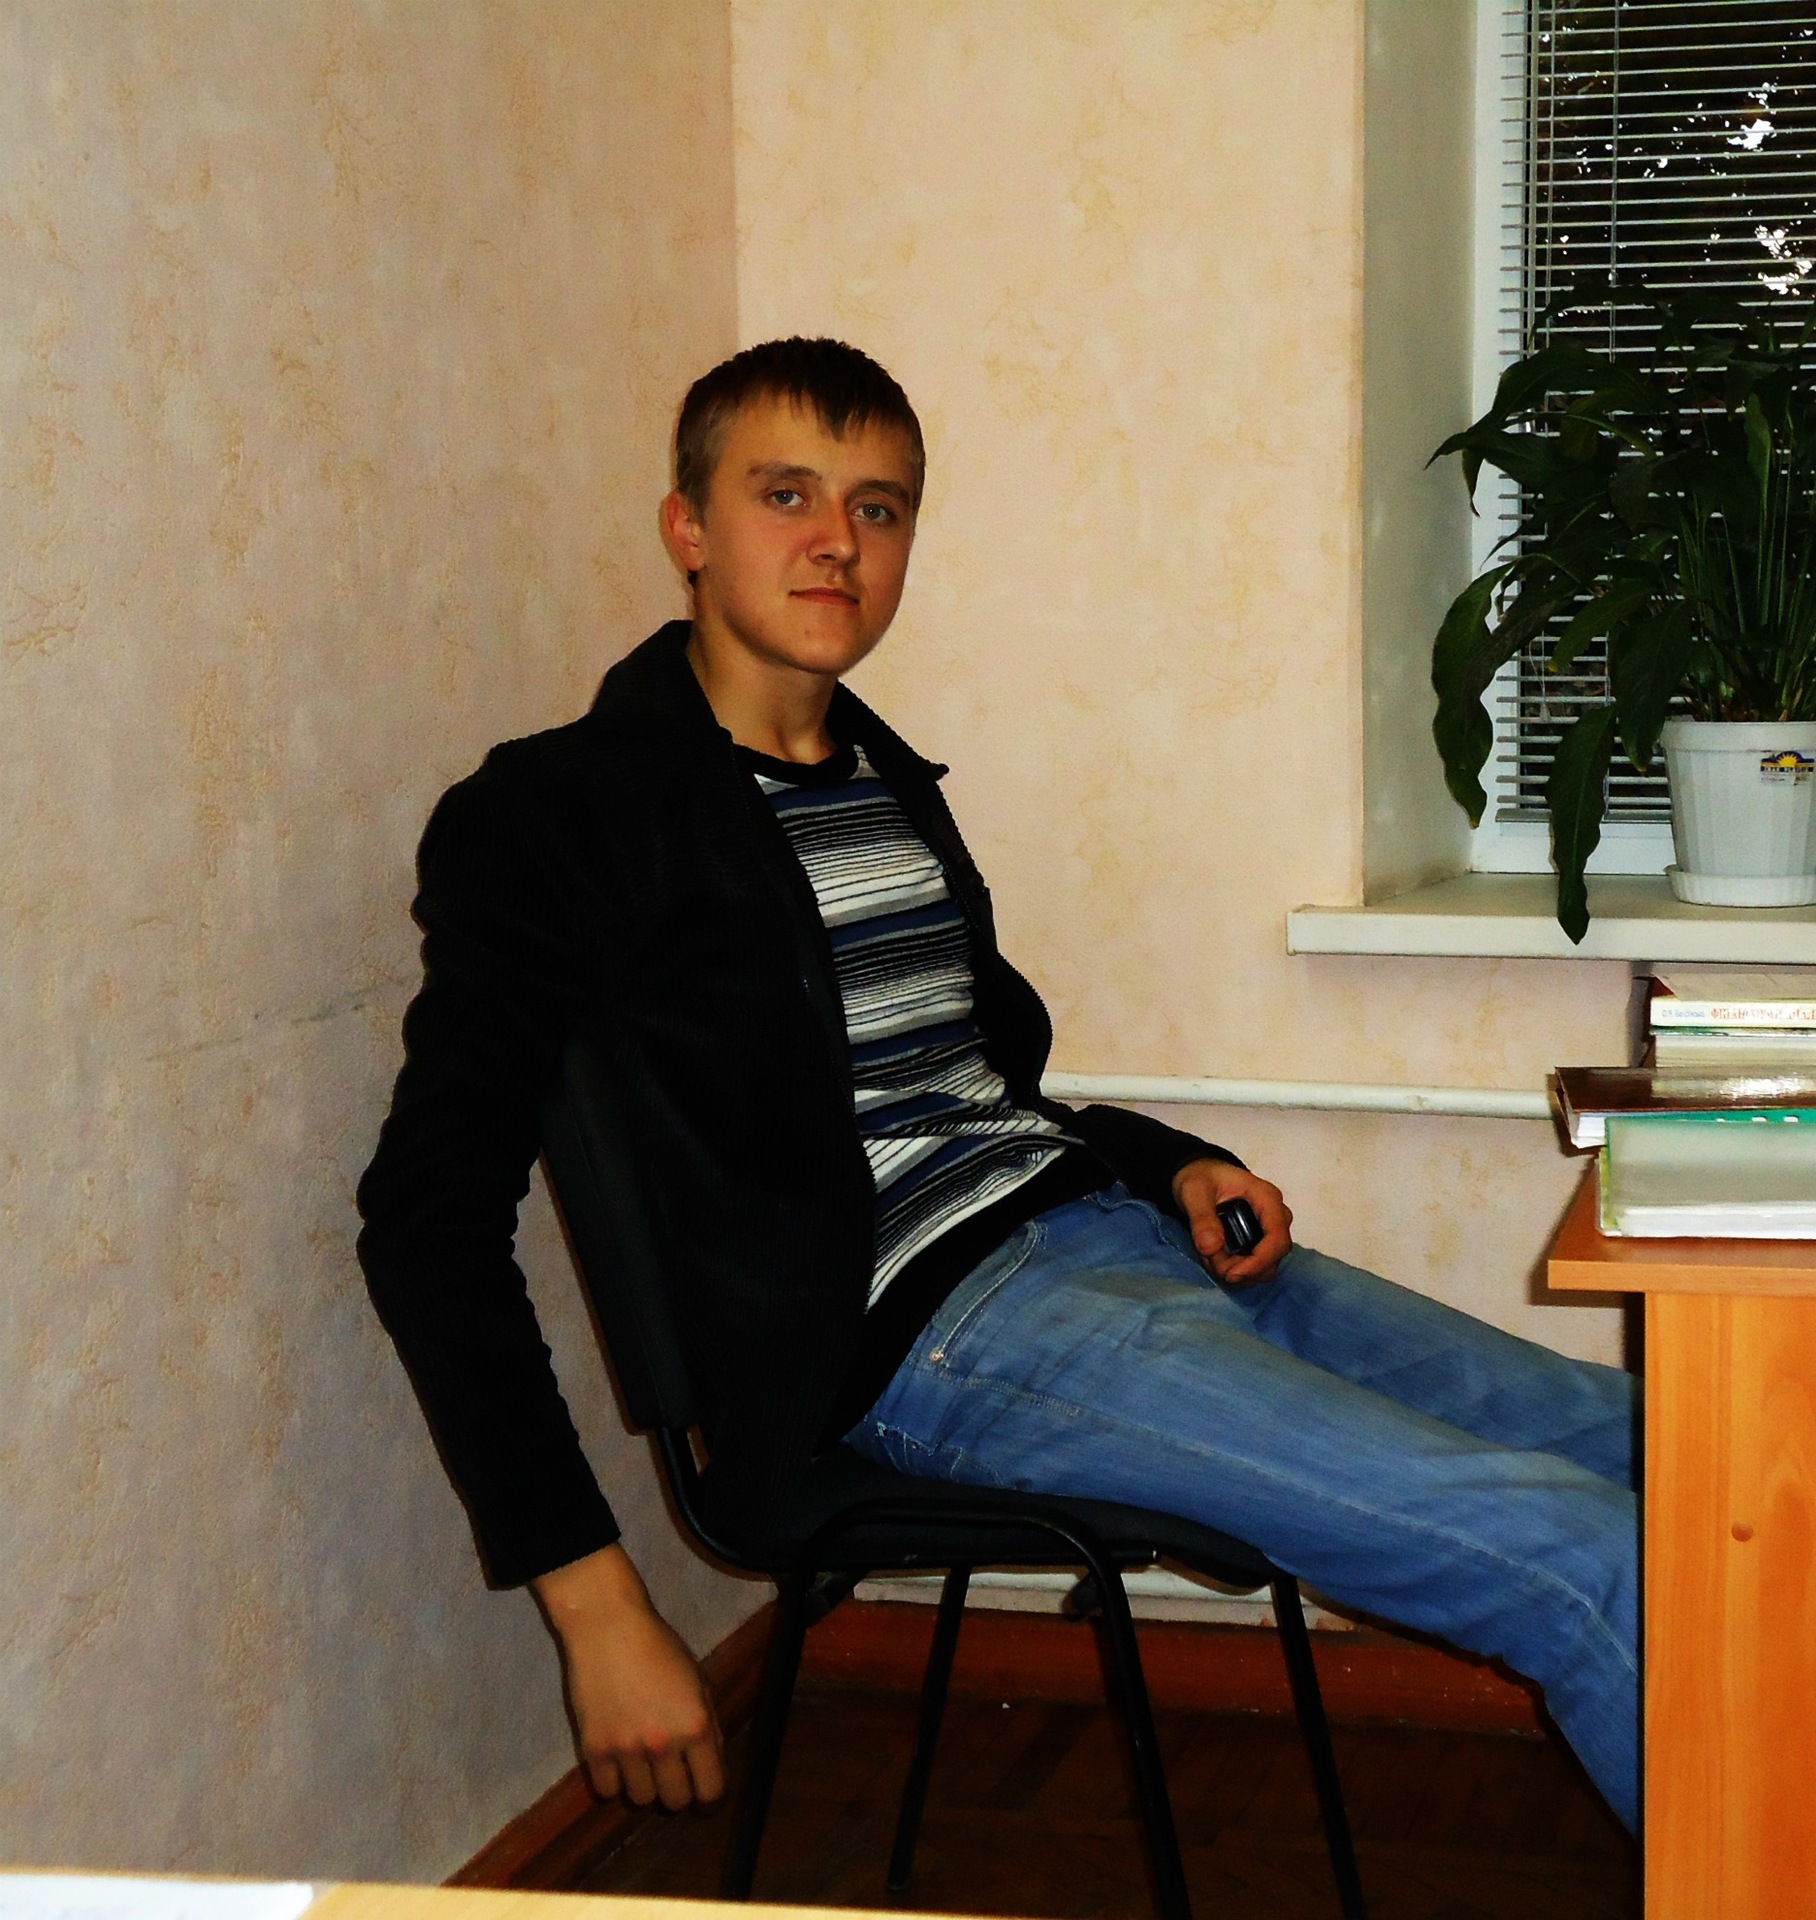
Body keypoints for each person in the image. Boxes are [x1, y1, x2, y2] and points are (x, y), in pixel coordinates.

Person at [356, 338, 1639, 1832]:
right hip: (936, 1331)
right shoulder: (562, 812)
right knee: (1576, 1554)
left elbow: (964, 1091)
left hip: (1114, 1242)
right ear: (688, 528)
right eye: (786, 495)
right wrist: (595, 1604)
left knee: (1653, 1446)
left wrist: (1164, 1163)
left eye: (879, 507)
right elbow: (426, 1223)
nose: (838, 543)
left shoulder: (878, 779)